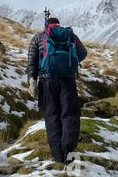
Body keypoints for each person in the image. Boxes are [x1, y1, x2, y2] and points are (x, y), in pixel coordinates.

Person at [26, 16, 88, 165]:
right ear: (58, 24)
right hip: (68, 80)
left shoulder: (39, 37)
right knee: (69, 115)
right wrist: (70, 63)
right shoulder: (70, 35)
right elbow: (83, 53)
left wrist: (32, 82)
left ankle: (58, 158)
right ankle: (69, 152)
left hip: (47, 82)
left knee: (52, 116)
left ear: (46, 25)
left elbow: (31, 62)